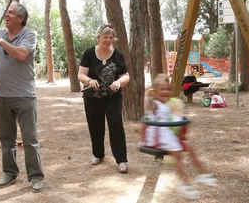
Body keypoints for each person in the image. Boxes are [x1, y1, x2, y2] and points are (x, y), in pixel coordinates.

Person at [0, 2, 45, 192]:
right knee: (6, 138)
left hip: (24, 96)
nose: (6, 14)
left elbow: (21, 54)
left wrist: (0, 42)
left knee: (30, 139)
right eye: (6, 11)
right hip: (2, 95)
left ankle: (35, 176)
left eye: (11, 12)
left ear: (21, 18)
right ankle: (10, 173)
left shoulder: (29, 35)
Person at [142, 73, 218, 199]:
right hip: (159, 138)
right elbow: (151, 107)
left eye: (167, 89)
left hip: (169, 136)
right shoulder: (154, 104)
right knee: (178, 158)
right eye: (162, 89)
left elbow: (171, 117)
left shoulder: (167, 105)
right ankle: (186, 184)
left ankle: (203, 174)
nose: (165, 92)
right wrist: (150, 95)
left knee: (190, 150)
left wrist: (179, 119)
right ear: (155, 92)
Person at [77, 24, 130, 173]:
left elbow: (126, 76)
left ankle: (122, 160)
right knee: (95, 125)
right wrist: (89, 81)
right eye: (105, 37)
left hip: (112, 96)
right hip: (92, 96)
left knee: (116, 125)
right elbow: (81, 74)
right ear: (98, 37)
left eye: (111, 37)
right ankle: (98, 154)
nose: (108, 40)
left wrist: (119, 82)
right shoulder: (89, 54)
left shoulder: (118, 55)